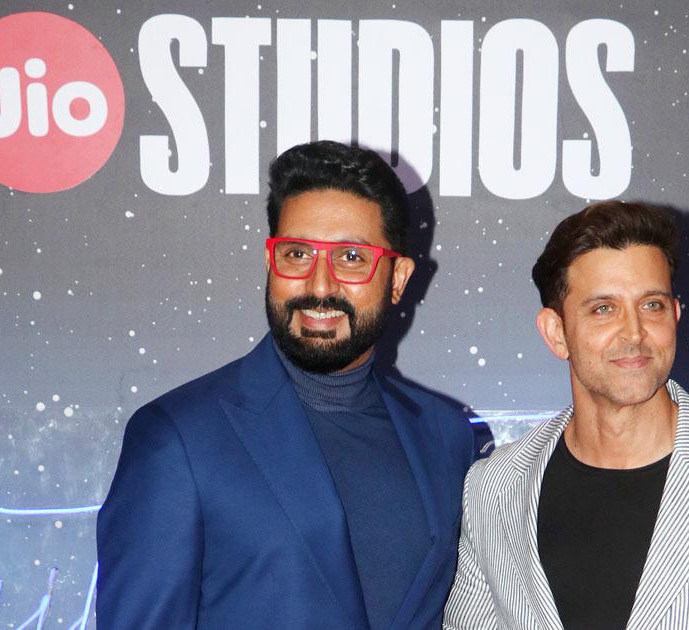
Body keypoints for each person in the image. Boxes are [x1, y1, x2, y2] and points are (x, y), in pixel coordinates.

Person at [98, 140, 477, 629]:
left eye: (352, 257)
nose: (320, 286)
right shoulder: (179, 438)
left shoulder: (445, 435)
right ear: (269, 260)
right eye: (297, 254)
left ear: (398, 278)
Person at [443, 201, 689, 629]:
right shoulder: (494, 488)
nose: (634, 333)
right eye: (603, 308)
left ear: (676, 316)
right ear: (556, 333)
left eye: (652, 305)